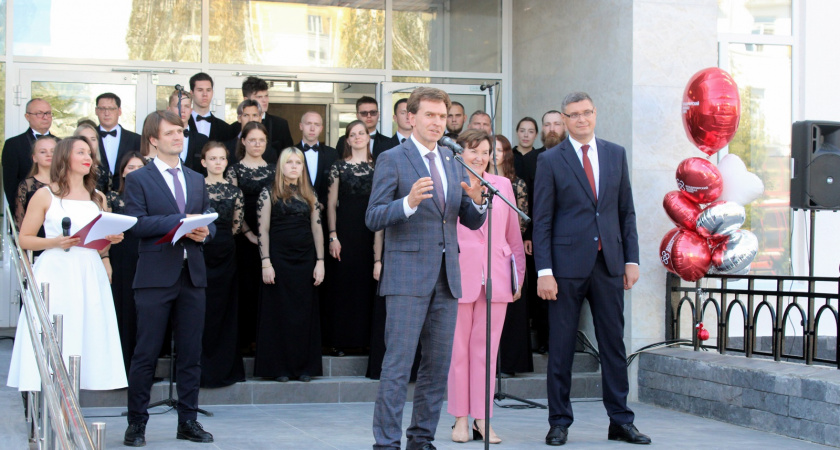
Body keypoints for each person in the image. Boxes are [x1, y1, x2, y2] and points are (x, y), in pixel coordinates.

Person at [366, 87, 488, 450]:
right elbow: (373, 216)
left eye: (442, 116)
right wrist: (407, 202)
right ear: (411, 117)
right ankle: (386, 443)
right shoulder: (392, 158)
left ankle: (421, 439)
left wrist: (477, 202)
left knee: (436, 367)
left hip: (447, 279)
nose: (437, 123)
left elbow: (468, 220)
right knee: (398, 366)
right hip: (407, 278)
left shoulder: (452, 159)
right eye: (429, 115)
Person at [533, 92, 649, 446]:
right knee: (562, 347)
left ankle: (621, 421)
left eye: (586, 112)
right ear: (564, 120)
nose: (581, 119)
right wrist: (544, 271)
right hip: (565, 268)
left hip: (609, 264)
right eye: (574, 115)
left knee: (613, 344)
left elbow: (625, 211)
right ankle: (559, 421)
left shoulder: (616, 154)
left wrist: (631, 259)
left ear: (595, 114)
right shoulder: (550, 160)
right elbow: (542, 219)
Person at [123, 110, 216, 446]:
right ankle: (136, 423)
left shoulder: (196, 178)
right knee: (146, 353)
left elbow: (209, 219)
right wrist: (181, 222)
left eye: (181, 132)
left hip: (192, 276)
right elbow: (136, 224)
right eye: (170, 133)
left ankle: (188, 421)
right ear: (153, 139)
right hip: (154, 276)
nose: (178, 137)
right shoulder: (139, 179)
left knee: (191, 354)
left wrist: (205, 231)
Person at [7, 136, 127, 393]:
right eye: (80, 152)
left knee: (88, 332)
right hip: (57, 270)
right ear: (65, 157)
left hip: (89, 270)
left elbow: (99, 246)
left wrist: (109, 239)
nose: (87, 158)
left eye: (89, 153)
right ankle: (54, 397)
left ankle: (74, 397)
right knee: (59, 330)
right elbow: (24, 239)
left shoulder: (98, 198)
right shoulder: (45, 194)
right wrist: (55, 242)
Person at [447, 129, 525, 445]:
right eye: (473, 151)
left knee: (486, 353)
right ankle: (460, 419)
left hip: (496, 276)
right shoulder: (450, 183)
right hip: (459, 275)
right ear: (460, 153)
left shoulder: (502, 185)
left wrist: (518, 275)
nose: (480, 157)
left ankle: (483, 418)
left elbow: (513, 235)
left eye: (485, 152)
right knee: (458, 352)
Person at [254, 147, 325, 382]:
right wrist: (266, 262)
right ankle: (279, 368)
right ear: (281, 166)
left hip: (305, 259)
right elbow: (263, 230)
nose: (294, 166)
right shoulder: (268, 192)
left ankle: (304, 368)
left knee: (304, 312)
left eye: (298, 162)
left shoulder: (309, 193)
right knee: (279, 312)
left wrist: (320, 262)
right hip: (278, 259)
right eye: (289, 162)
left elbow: (317, 228)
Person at [323, 120, 383, 356]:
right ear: (347, 140)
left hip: (371, 232)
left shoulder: (379, 167)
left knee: (367, 285)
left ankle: (365, 340)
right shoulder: (338, 167)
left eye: (362, 133)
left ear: (368, 137)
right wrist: (333, 236)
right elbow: (331, 205)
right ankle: (340, 340)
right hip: (344, 233)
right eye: (353, 134)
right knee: (343, 284)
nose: (357, 137)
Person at [199, 141, 247, 387]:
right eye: (213, 158)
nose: (218, 162)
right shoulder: (195, 189)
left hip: (226, 253)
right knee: (200, 308)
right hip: (200, 252)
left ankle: (224, 368)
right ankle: (199, 369)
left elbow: (236, 225)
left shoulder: (235, 192)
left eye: (222, 158)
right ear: (203, 162)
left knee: (225, 308)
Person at [225, 121, 272, 356]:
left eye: (261, 140)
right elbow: (234, 205)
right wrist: (248, 233)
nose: (257, 144)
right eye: (252, 140)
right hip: (242, 237)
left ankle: (264, 339)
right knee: (245, 286)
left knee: (267, 287)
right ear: (243, 141)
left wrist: (265, 236)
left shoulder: (274, 170)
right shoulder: (233, 170)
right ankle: (245, 340)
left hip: (270, 237)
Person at [523, 110, 565, 355]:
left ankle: (561, 340)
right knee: (541, 288)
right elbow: (528, 201)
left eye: (556, 124)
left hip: (568, 235)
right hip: (539, 234)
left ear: (564, 126)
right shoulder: (532, 159)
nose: (552, 129)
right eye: (547, 124)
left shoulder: (573, 155)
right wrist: (528, 234)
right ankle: (544, 340)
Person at [492, 134, 533, 377]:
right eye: (490, 150)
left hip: (507, 251)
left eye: (498, 150)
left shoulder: (515, 183)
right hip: (482, 254)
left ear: (506, 154)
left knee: (511, 312)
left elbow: (520, 222)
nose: (493, 155)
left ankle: (509, 363)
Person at [106, 151, 147, 371]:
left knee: (144, 311)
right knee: (123, 308)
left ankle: (142, 367)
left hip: (146, 256)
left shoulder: (151, 197)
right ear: (122, 172)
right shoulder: (112, 197)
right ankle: (120, 366)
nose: (135, 172)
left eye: (140, 168)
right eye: (131, 167)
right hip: (121, 257)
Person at [3, 98, 54, 217]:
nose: (45, 117)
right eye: (39, 113)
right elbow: (10, 186)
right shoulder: (14, 144)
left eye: (48, 113)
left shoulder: (62, 144)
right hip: (28, 212)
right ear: (27, 117)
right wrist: (20, 216)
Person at [232, 76, 294, 152]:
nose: (264, 100)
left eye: (266, 96)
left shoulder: (280, 125)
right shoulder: (233, 128)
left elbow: (289, 154)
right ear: (246, 100)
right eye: (259, 97)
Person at [95, 92, 141, 191]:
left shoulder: (136, 139)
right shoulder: (88, 137)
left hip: (127, 192)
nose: (107, 113)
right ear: (96, 111)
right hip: (94, 192)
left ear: (119, 111)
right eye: (102, 108)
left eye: (111, 109)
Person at [295, 111, 338, 210]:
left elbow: (335, 185)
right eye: (308, 123)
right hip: (296, 212)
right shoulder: (290, 153)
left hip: (325, 213)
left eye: (316, 124)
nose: (312, 128)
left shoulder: (332, 154)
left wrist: (323, 203)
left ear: (321, 129)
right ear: (301, 126)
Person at [334, 96, 399, 161]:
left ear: (378, 115)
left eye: (373, 112)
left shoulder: (389, 143)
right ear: (357, 115)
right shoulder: (343, 141)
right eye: (364, 113)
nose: (369, 116)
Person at [14, 135, 57, 230]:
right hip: (35, 236)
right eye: (43, 152)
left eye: (53, 151)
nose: (49, 154)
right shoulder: (26, 185)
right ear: (34, 158)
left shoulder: (67, 183)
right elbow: (20, 222)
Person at [167, 90, 209, 174]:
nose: (182, 110)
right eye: (178, 106)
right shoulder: (161, 138)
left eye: (186, 106)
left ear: (191, 110)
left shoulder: (202, 140)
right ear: (169, 109)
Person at [189, 72, 235, 142]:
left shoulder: (224, 128)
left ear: (212, 92)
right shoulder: (181, 125)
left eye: (208, 90)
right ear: (191, 93)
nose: (205, 94)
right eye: (200, 90)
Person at [74, 122, 112, 193]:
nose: (90, 143)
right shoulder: (70, 168)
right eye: (84, 139)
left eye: (93, 139)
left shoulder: (104, 170)